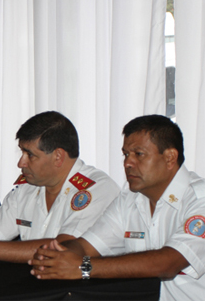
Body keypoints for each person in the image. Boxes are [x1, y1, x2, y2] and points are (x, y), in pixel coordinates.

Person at [30, 115, 205, 301]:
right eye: (126, 154)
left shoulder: (199, 199)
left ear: (170, 158)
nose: (127, 163)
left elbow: (168, 262)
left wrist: (84, 267)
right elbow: (87, 245)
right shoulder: (129, 199)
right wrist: (57, 255)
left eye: (139, 154)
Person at [0, 111, 119, 263]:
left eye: (30, 155)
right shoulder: (26, 188)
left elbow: (63, 248)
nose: (20, 163)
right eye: (21, 152)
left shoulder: (95, 189)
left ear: (58, 156)